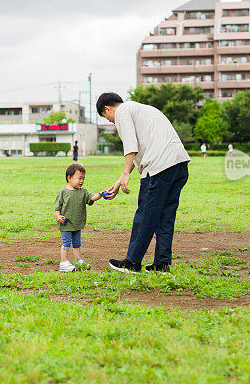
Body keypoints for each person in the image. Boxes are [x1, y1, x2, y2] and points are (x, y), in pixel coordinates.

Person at [97, 92, 190, 273]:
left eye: (108, 118)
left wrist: (126, 174)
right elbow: (139, 150)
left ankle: (132, 262)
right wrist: (120, 178)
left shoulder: (122, 111)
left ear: (108, 108)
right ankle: (162, 264)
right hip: (179, 164)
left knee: (145, 215)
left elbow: (130, 145)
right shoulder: (141, 110)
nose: (112, 122)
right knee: (165, 218)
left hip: (159, 167)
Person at [53, 163, 103, 273]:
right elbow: (57, 206)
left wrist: (99, 195)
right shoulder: (63, 192)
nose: (81, 181)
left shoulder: (83, 191)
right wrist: (58, 216)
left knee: (77, 244)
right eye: (79, 178)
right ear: (69, 178)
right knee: (66, 243)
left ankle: (78, 261)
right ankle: (64, 262)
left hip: (77, 223)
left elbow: (91, 198)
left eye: (83, 179)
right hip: (66, 224)